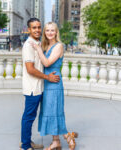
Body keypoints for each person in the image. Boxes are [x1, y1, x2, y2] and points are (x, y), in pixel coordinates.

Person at [31, 22, 78, 150]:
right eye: (47, 30)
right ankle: (57, 141)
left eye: (52, 30)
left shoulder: (59, 46)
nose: (50, 33)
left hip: (54, 82)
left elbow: (46, 63)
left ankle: (67, 136)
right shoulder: (46, 45)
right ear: (45, 32)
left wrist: (38, 49)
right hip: (47, 82)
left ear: (56, 32)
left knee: (54, 112)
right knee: (50, 111)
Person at [21, 18, 60, 150]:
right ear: (29, 30)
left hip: (39, 87)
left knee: (31, 116)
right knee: (28, 117)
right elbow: (30, 69)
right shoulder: (28, 45)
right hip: (32, 88)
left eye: (38, 27)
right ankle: (25, 146)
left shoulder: (37, 43)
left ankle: (26, 141)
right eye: (34, 27)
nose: (37, 30)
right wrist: (47, 77)